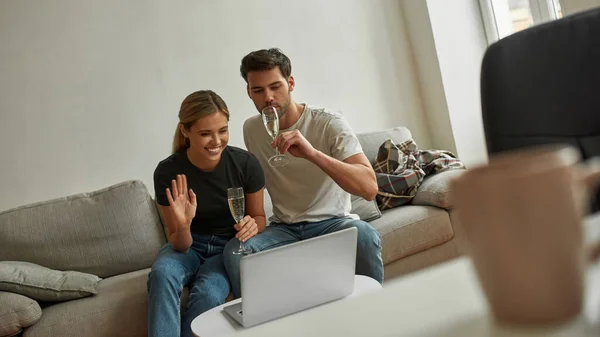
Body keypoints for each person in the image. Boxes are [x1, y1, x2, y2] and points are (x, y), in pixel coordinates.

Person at [223, 48, 384, 298]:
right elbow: (254, 185)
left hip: (331, 222)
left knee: (364, 236)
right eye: (258, 90)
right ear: (249, 92)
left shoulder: (329, 123)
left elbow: (369, 188)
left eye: (275, 86)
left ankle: (374, 312)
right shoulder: (251, 129)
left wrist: (312, 153)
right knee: (237, 250)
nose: (268, 97)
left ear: (291, 83)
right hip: (284, 228)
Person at [147, 90, 266, 337]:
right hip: (187, 245)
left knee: (209, 295)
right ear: (185, 131)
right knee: (162, 274)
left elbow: (260, 218)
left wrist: (252, 226)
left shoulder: (245, 164)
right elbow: (180, 245)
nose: (216, 141)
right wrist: (183, 226)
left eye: (222, 130)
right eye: (205, 133)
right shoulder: (168, 172)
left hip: (226, 249)